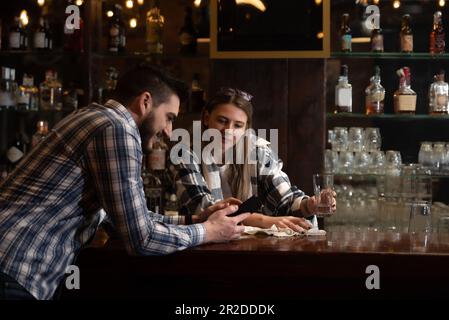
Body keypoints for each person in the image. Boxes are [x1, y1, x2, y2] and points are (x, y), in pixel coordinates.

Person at [0, 65, 249, 300]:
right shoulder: (117, 129)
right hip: (15, 267)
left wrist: (194, 220)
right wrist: (208, 232)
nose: (169, 131)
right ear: (145, 102)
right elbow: (140, 239)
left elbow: (122, 221)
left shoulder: (94, 116)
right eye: (169, 117)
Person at [175, 87, 336, 232]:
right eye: (222, 121)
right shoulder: (186, 152)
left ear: (246, 129)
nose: (228, 130)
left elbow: (284, 197)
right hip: (200, 246)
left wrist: (310, 205)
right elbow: (201, 208)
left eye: (238, 125)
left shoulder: (258, 151)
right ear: (206, 118)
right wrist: (264, 221)